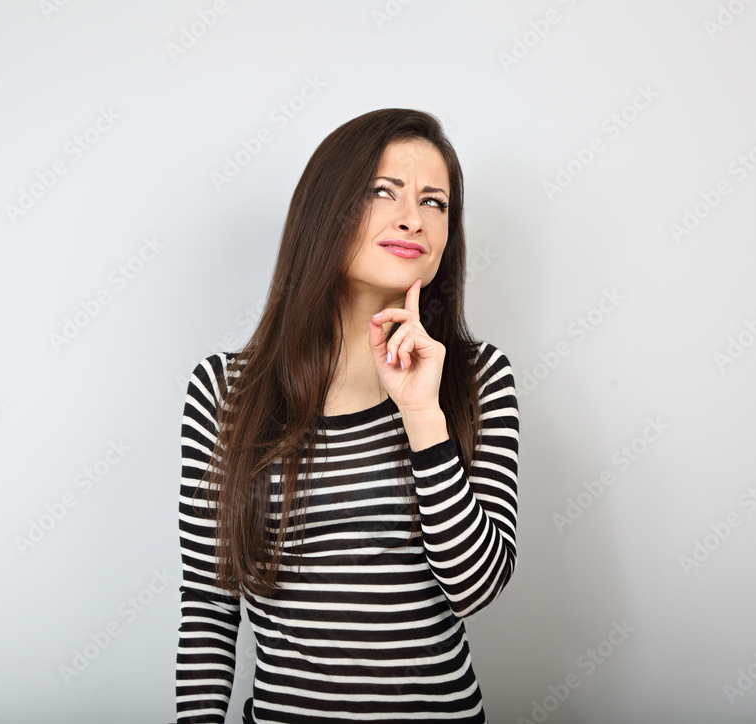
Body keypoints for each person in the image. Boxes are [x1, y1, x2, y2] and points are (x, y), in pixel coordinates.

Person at [176, 108, 519, 723]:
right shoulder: (225, 391)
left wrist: (421, 412)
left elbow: (476, 589)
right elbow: (209, 601)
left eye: (435, 202)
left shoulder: (477, 379)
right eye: (381, 191)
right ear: (325, 210)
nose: (413, 217)